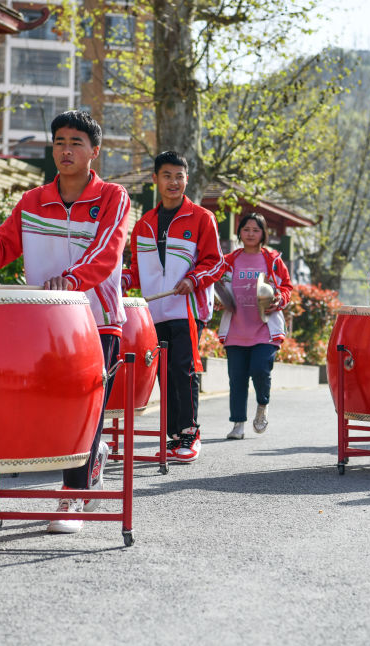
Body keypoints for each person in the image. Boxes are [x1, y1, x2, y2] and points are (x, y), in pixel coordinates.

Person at [0, 110, 130, 532]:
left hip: (97, 318)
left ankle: (72, 500)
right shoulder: (33, 201)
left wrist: (72, 280)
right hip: (41, 324)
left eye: (75, 142)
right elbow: (4, 239)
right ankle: (92, 460)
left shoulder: (113, 197)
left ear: (95, 150)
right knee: (50, 409)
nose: (66, 150)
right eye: (59, 142)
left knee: (84, 409)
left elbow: (107, 251)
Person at [122, 151, 226, 463]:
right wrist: (119, 282)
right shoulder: (143, 225)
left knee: (184, 368)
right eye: (167, 175)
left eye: (179, 176)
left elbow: (215, 263)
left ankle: (190, 433)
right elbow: (136, 272)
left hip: (189, 310)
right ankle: (173, 437)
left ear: (187, 180)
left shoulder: (202, 218)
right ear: (155, 179)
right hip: (154, 312)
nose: (174, 182)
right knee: (163, 374)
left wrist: (194, 280)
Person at [217, 213, 294, 440]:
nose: (250, 233)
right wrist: (219, 301)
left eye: (256, 230)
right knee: (237, 377)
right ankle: (238, 423)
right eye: (246, 229)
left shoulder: (272, 260)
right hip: (236, 328)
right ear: (239, 232)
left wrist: (280, 299)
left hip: (265, 328)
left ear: (263, 234)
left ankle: (262, 404)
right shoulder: (229, 260)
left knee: (260, 369)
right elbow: (218, 288)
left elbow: (286, 287)